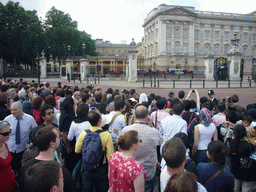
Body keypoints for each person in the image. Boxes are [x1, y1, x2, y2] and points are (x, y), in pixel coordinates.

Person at [121, 105, 164, 192]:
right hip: (148, 172)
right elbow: (161, 141)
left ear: (135, 115)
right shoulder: (153, 132)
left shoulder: (126, 130)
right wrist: (151, 125)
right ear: (147, 116)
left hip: (129, 171)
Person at [20, 126, 76, 192]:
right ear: (51, 144)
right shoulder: (60, 172)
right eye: (58, 137)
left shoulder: (27, 167)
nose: (60, 138)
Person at [75, 110, 114, 192]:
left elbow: (77, 150)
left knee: (87, 188)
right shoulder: (106, 135)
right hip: (101, 168)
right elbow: (110, 156)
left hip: (87, 166)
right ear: (99, 120)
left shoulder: (84, 133)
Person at [4, 102, 37, 174]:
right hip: (10, 149)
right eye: (11, 110)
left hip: (23, 150)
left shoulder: (30, 119)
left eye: (15, 110)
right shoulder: (7, 119)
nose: (13, 112)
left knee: (22, 170)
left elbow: (35, 132)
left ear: (21, 109)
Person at [230, 125, 256, 192]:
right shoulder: (249, 146)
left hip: (236, 169)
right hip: (249, 172)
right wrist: (249, 138)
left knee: (235, 188)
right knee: (246, 189)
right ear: (245, 133)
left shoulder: (232, 142)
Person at [0, 121, 17, 192]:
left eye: (10, 131)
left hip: (12, 182)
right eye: (5, 133)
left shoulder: (5, 144)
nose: (9, 134)